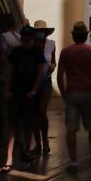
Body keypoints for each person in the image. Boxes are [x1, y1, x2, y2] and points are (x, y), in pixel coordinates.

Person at [56, 22, 91, 173]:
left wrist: (64, 93)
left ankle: (73, 161)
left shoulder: (66, 52)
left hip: (72, 92)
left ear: (73, 35)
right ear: (86, 36)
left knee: (71, 129)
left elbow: (59, 76)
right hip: (88, 92)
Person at [2, 26, 44, 172]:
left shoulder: (36, 52)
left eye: (28, 40)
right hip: (17, 92)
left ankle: (24, 152)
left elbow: (40, 72)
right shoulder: (16, 52)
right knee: (14, 125)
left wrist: (34, 90)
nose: (25, 43)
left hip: (27, 93)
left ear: (32, 40)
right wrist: (7, 89)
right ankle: (10, 157)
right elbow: (9, 71)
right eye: (23, 40)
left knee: (26, 124)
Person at [0, 13, 19, 148]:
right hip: (15, 77)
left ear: (4, 24)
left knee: (0, 109)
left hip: (1, 76)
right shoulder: (18, 37)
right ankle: (15, 137)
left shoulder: (2, 38)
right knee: (13, 109)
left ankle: (1, 138)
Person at [31, 20, 56, 156]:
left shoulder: (51, 44)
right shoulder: (31, 45)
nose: (41, 34)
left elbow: (53, 62)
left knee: (42, 112)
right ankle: (38, 144)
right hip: (33, 80)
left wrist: (52, 67)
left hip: (45, 80)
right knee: (34, 113)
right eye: (38, 32)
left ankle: (45, 142)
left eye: (42, 32)